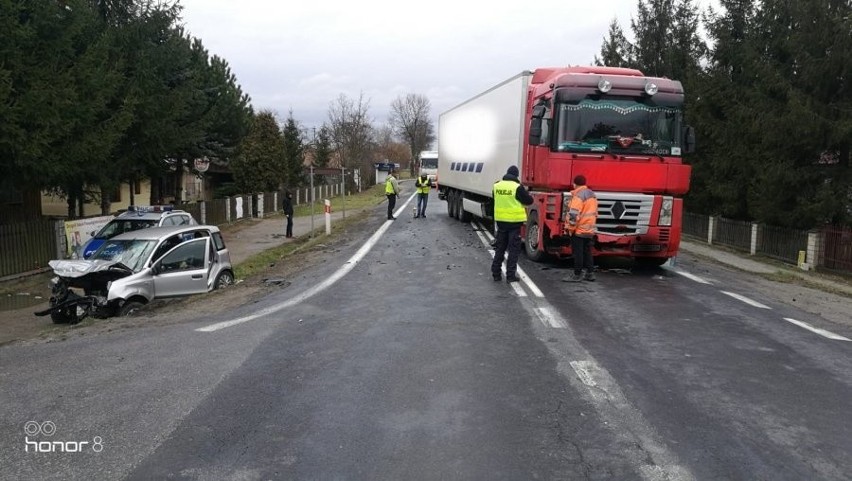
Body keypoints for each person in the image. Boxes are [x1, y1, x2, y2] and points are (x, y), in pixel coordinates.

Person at [491, 165, 534, 283]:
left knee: (500, 248)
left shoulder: (496, 185)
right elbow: (529, 201)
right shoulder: (517, 187)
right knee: (513, 250)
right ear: (516, 175)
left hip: (501, 222)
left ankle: (496, 273)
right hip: (514, 223)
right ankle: (510, 276)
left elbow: (495, 199)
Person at [562, 175, 598, 282]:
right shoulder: (592, 195)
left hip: (579, 229)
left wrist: (570, 229)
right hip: (589, 228)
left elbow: (573, 215)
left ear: (575, 184)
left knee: (578, 253)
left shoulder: (578, 196)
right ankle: (590, 273)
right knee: (587, 251)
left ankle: (577, 274)